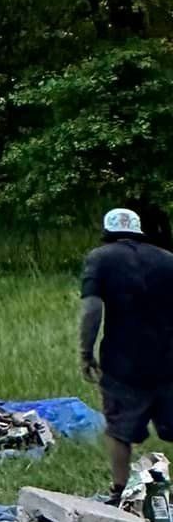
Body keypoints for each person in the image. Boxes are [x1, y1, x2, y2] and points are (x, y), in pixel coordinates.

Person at [80, 206, 173, 498]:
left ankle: (119, 491)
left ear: (108, 232)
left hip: (123, 363)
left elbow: (92, 309)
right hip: (169, 360)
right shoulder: (168, 259)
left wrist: (86, 352)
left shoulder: (100, 258)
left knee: (119, 430)